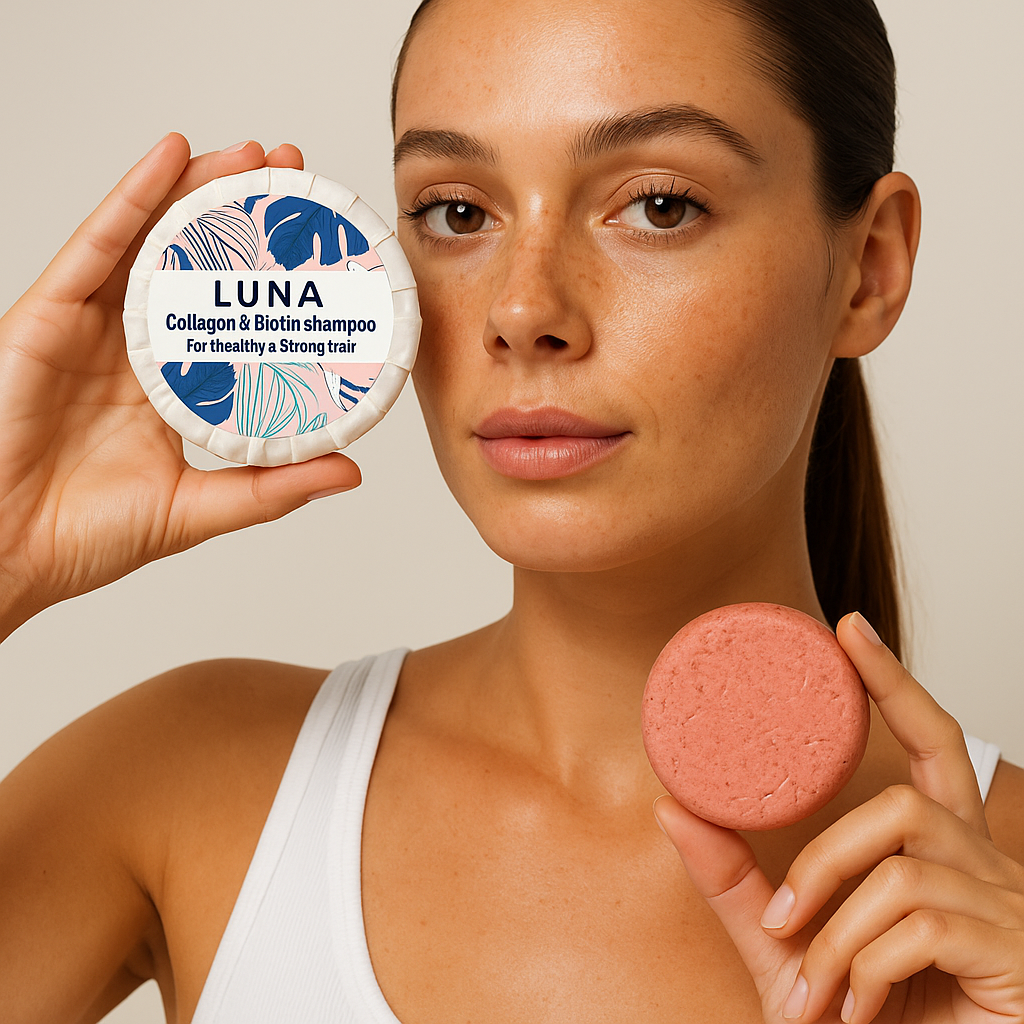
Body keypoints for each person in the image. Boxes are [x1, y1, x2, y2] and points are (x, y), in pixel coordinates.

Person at [1, 0, 1022, 1021]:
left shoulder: (1002, 911)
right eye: (456, 212)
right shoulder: (185, 778)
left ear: (870, 268)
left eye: (659, 205)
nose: (523, 310)